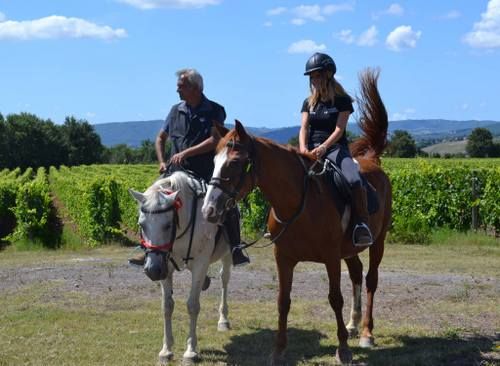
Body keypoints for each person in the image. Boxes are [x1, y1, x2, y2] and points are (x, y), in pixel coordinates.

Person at [129, 68, 250, 266]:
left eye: (181, 87)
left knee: (229, 205)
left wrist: (186, 153)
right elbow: (161, 137)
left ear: (195, 88)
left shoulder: (215, 110)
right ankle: (145, 249)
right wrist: (161, 160)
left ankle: (236, 248)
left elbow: (214, 139)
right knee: (149, 202)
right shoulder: (175, 110)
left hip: (204, 172)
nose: (178, 91)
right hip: (174, 172)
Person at [299, 53, 373, 247]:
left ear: (328, 75)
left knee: (352, 176)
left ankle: (361, 224)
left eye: (317, 75)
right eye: (312, 77)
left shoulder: (342, 101)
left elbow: (339, 129)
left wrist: (324, 147)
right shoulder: (308, 102)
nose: (314, 80)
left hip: (335, 149)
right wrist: (303, 148)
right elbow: (304, 128)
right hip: (310, 149)